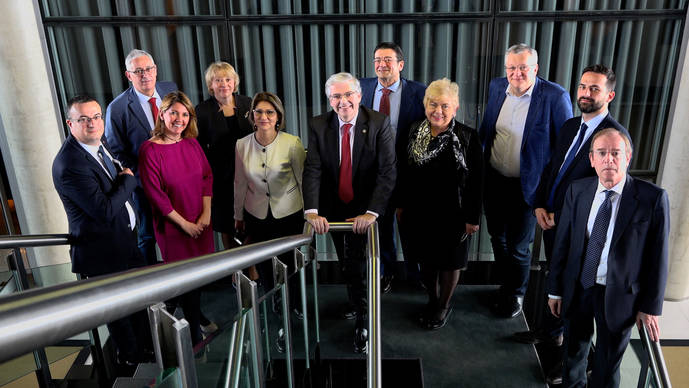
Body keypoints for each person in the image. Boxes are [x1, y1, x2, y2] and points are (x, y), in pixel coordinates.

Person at [513, 65, 631, 382]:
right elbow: (553, 168)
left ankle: (575, 362)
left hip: (581, 236)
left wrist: (564, 220)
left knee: (577, 296)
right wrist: (539, 203)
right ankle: (551, 333)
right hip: (553, 222)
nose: (585, 93)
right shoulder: (569, 127)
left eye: (594, 89)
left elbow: (605, 196)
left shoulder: (614, 138)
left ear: (610, 95)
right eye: (582, 86)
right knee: (557, 281)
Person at [547, 127, 669, 388]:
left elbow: (658, 257)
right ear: (592, 159)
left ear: (628, 157)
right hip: (579, 286)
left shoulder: (652, 199)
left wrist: (650, 307)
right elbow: (563, 244)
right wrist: (555, 290)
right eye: (602, 153)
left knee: (607, 365)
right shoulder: (577, 191)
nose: (609, 159)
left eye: (616, 153)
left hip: (620, 294)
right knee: (573, 356)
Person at [52, 95, 150, 366]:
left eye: (96, 117)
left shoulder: (97, 143)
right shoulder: (70, 164)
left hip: (125, 243)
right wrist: (129, 182)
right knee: (120, 316)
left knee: (139, 305)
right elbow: (105, 211)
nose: (92, 123)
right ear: (70, 123)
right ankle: (133, 364)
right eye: (83, 119)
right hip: (102, 253)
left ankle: (148, 355)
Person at [303, 72, 396, 353]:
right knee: (346, 261)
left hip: (364, 209)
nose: (343, 102)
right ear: (329, 100)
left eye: (347, 95)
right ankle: (357, 302)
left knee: (359, 263)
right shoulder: (319, 124)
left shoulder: (378, 123)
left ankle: (364, 320)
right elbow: (313, 169)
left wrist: (371, 213)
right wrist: (312, 210)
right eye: (336, 96)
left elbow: (387, 172)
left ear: (359, 96)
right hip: (332, 210)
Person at [479, 43, 573, 318]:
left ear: (535, 69)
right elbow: (488, 129)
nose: (516, 73)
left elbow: (563, 149)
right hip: (495, 180)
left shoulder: (555, 97)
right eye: (511, 67)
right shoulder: (497, 87)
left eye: (523, 67)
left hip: (528, 186)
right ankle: (505, 285)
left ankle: (516, 294)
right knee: (497, 238)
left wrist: (549, 194)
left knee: (520, 247)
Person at [396, 78, 482, 330]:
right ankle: (431, 300)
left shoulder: (467, 137)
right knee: (426, 259)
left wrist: (473, 217)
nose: (438, 111)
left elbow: (477, 181)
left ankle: (443, 305)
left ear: (455, 108)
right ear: (425, 105)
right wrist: (400, 204)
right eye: (433, 104)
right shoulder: (413, 131)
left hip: (454, 213)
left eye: (445, 105)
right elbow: (403, 172)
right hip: (418, 211)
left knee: (449, 261)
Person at [138, 91, 213, 346]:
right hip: (174, 228)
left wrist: (206, 214)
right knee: (184, 278)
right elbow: (156, 196)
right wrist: (185, 225)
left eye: (184, 114)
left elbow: (206, 178)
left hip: (201, 222)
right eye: (174, 113)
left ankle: (197, 313)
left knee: (199, 276)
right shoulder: (149, 150)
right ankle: (193, 334)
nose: (179, 119)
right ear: (162, 114)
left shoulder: (191, 143)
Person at [360, 42, 427, 293]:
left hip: (409, 173)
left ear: (400, 64)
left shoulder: (419, 92)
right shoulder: (362, 88)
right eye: (377, 60)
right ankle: (386, 272)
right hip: (376, 173)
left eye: (387, 60)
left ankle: (415, 273)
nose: (381, 65)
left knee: (411, 227)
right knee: (383, 225)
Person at [234, 91, 306, 315]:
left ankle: (294, 301)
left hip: (289, 212)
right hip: (256, 214)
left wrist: (310, 214)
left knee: (290, 262)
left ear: (278, 116)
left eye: (269, 112)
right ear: (252, 115)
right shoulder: (241, 145)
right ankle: (275, 299)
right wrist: (238, 215)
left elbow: (304, 180)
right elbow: (240, 182)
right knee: (264, 264)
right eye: (259, 112)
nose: (263, 116)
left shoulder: (292, 142)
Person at [105, 49, 178, 266]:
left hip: (177, 180)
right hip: (145, 187)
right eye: (138, 71)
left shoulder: (170, 90)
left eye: (148, 69)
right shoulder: (117, 109)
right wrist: (143, 179)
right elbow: (115, 153)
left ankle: (183, 281)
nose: (144, 75)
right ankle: (152, 290)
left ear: (155, 70)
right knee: (148, 236)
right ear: (129, 75)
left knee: (179, 231)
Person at [196, 61, 253, 250]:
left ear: (235, 82)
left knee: (252, 225)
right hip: (220, 180)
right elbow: (199, 150)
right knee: (226, 226)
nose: (224, 84)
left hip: (250, 175)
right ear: (210, 85)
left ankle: (252, 272)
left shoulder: (248, 103)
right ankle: (235, 274)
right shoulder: (202, 111)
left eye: (228, 79)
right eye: (217, 80)